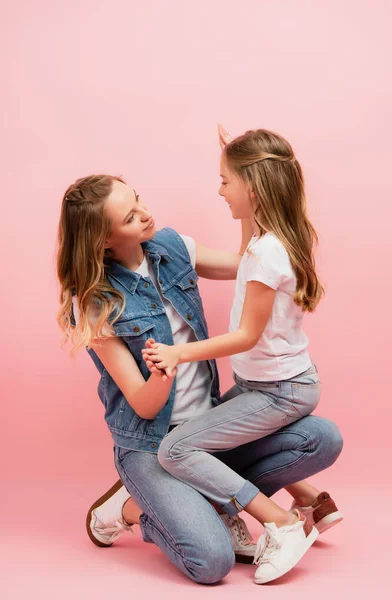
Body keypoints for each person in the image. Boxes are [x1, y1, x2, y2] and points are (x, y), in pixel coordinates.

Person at [56, 142, 342, 587]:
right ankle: (129, 508)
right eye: (131, 217)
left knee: (320, 438)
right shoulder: (96, 302)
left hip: (203, 431)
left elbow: (244, 265)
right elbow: (145, 406)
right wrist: (162, 370)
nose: (145, 214)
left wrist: (253, 197)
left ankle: (207, 497)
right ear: (104, 240)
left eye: (138, 200)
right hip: (151, 444)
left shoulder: (172, 246)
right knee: (212, 561)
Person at [141, 127, 343, 583]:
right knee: (216, 432)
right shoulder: (268, 237)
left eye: (226, 181)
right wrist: (243, 175)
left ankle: (282, 523)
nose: (219, 190)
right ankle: (314, 500)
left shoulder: (269, 252)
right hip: (273, 384)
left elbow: (247, 336)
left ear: (252, 188)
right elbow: (244, 244)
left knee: (177, 449)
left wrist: (179, 353)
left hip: (279, 392)